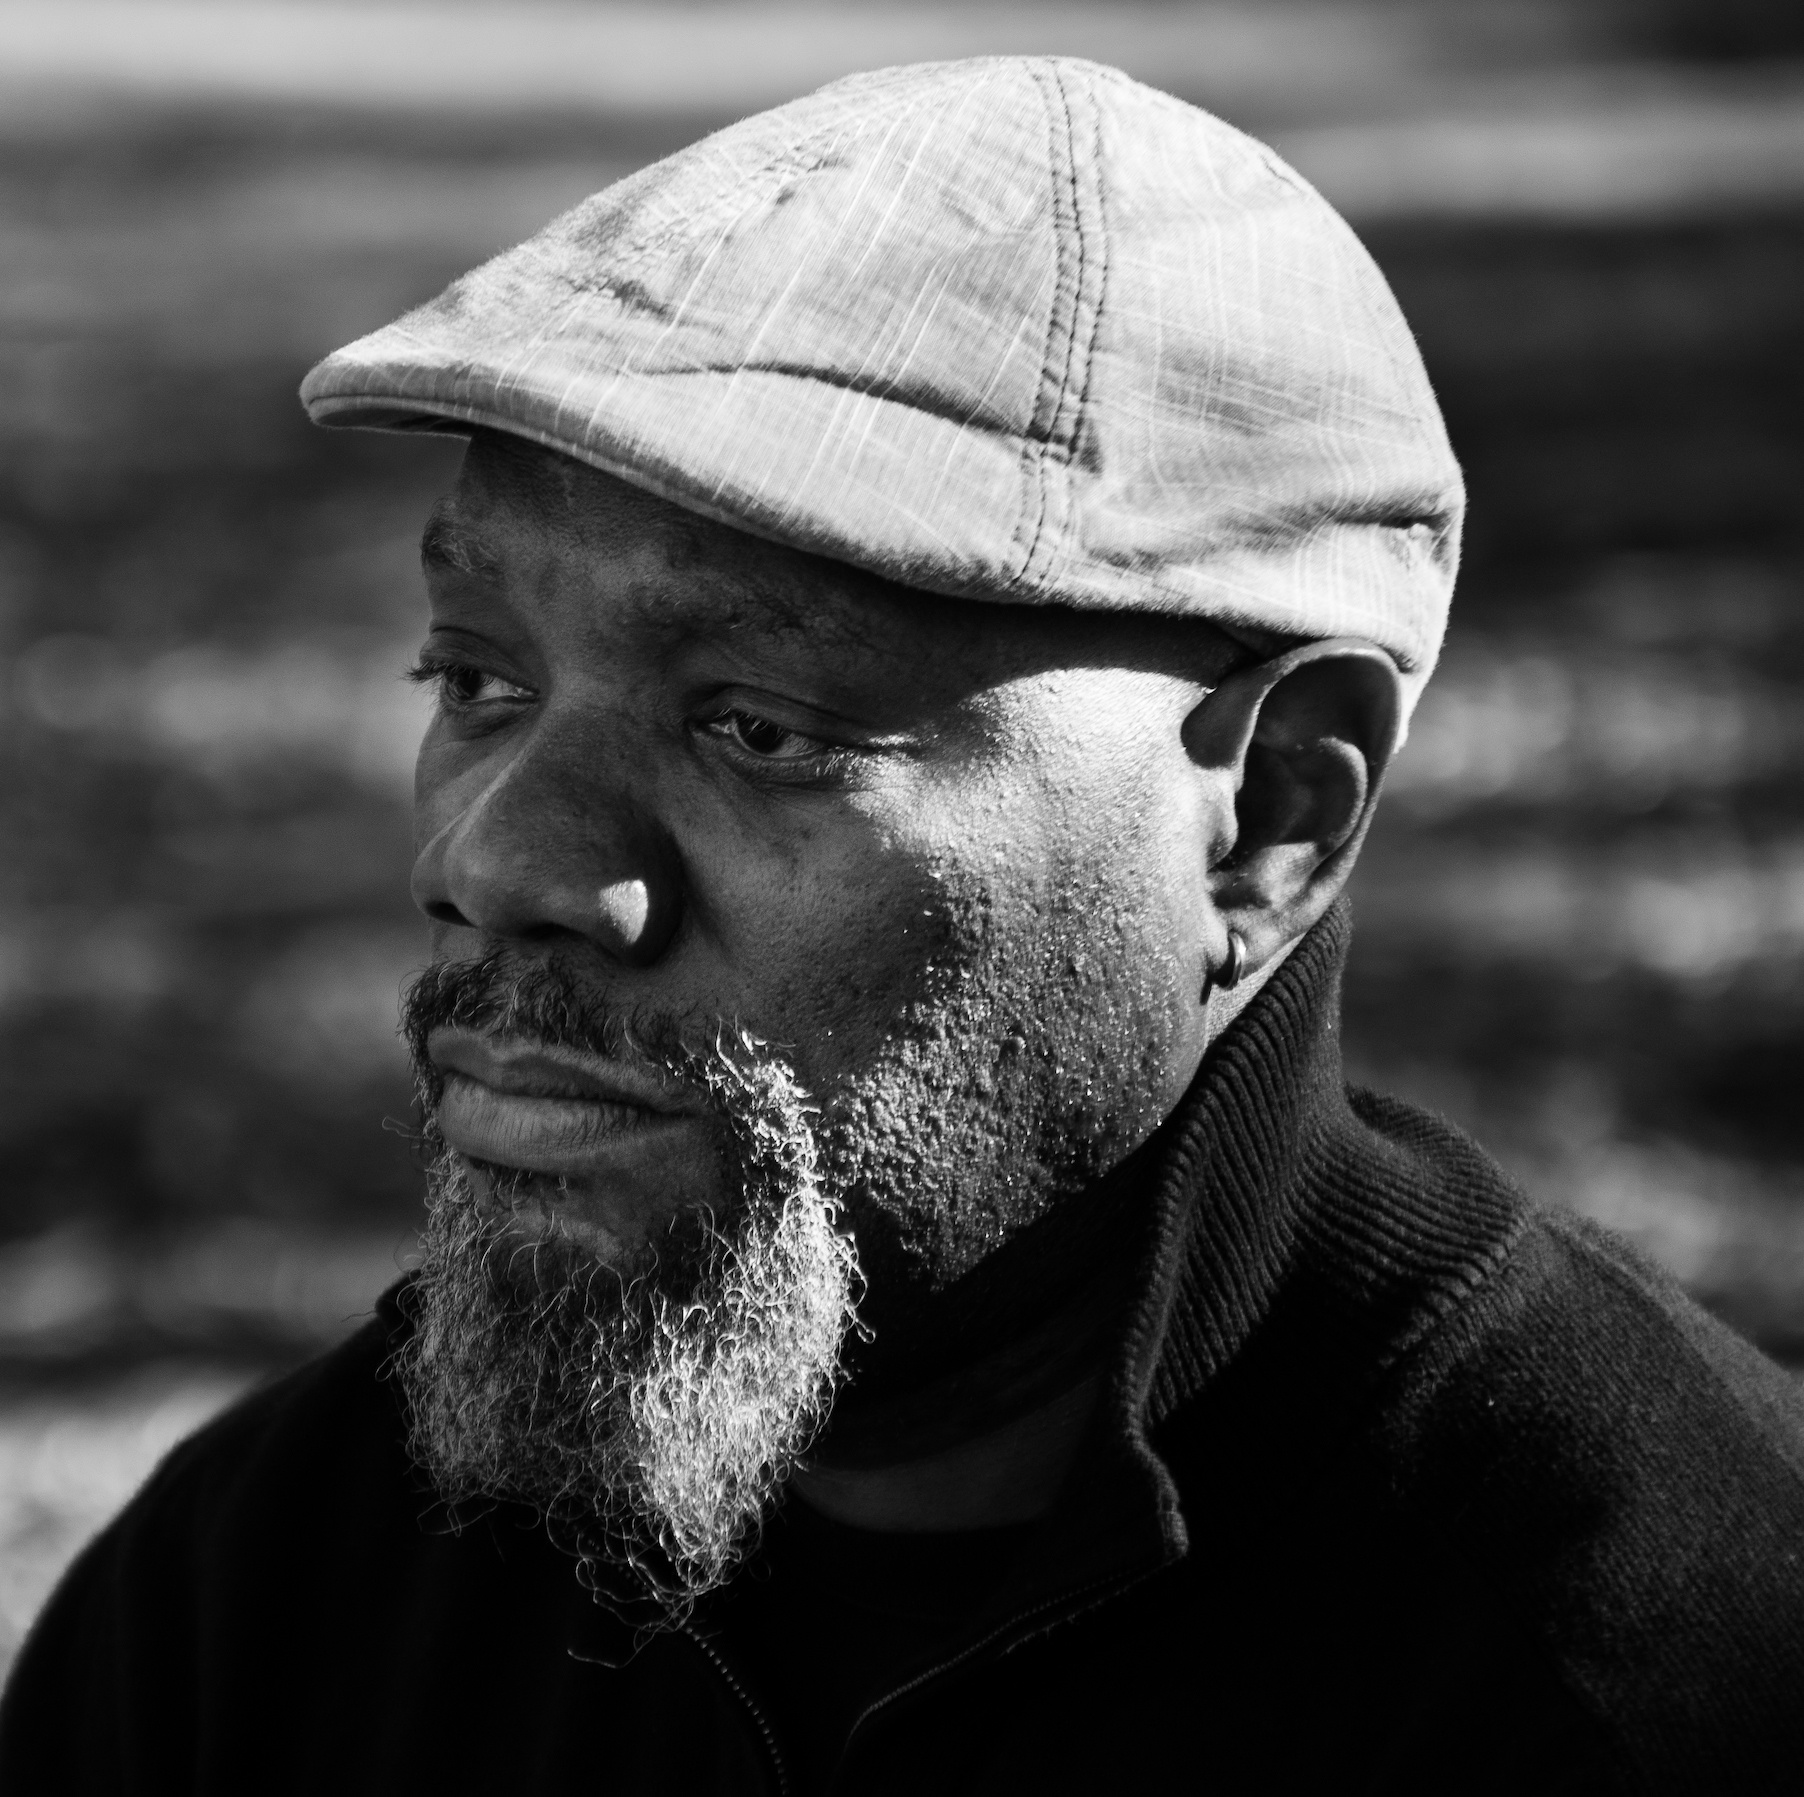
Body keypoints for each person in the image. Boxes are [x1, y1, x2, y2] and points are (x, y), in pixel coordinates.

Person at [4, 56, 1801, 1796]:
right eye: (477, 676)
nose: (502, 861)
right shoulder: (265, 1605)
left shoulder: (1663, 1670)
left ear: (1270, 815)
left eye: (761, 727)